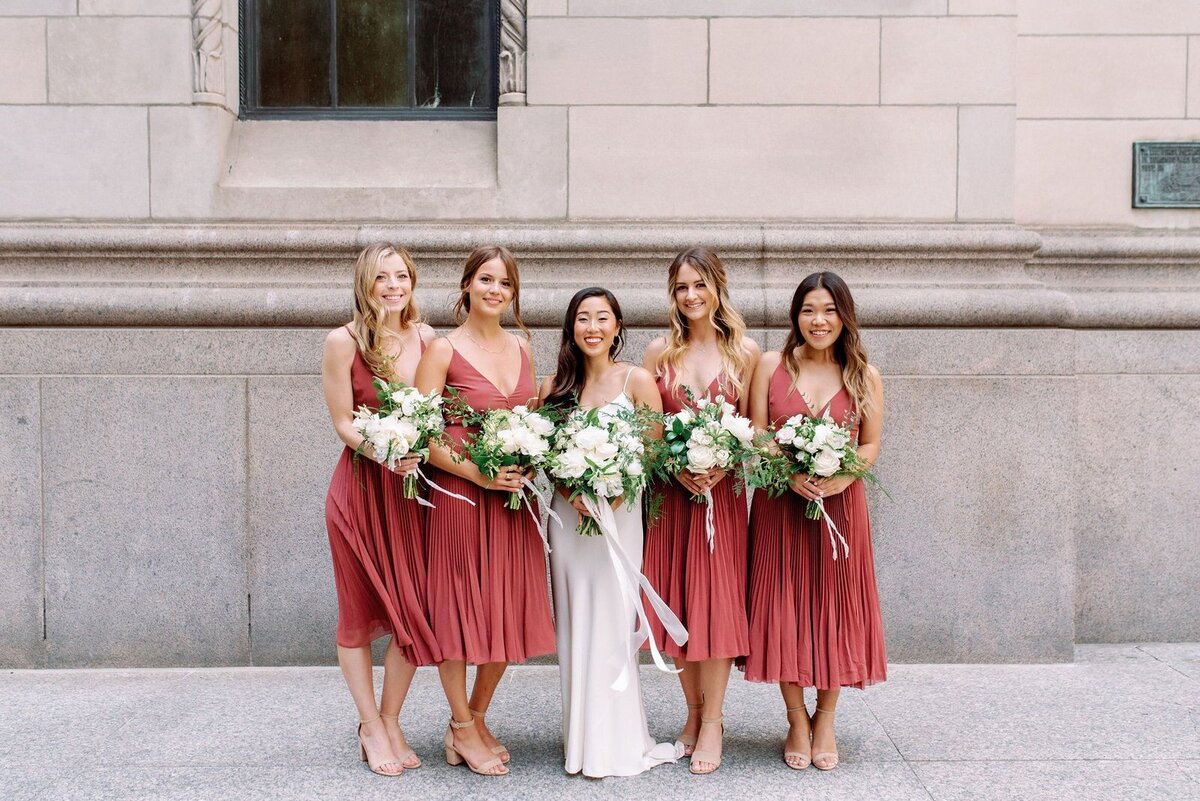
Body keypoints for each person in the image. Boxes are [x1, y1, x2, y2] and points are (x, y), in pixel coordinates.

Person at [414, 245, 555, 777]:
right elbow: (422, 435)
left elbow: (532, 420)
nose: (495, 290)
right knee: (457, 611)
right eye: (486, 280)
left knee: (507, 610)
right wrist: (477, 472)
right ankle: (462, 722)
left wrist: (529, 460)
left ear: (513, 294)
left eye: (504, 283)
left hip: (513, 503)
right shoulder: (443, 351)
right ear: (467, 286)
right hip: (462, 499)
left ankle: (472, 718)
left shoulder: (522, 347)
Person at [537, 287, 685, 778]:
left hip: (619, 522)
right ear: (571, 328)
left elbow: (653, 451)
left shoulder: (638, 381)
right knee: (578, 621)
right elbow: (548, 460)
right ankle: (580, 742)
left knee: (612, 622)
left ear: (618, 327)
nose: (593, 327)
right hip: (571, 526)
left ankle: (616, 743)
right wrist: (572, 490)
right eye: (583, 318)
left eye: (603, 318)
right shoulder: (554, 387)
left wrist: (621, 488)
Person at [743, 271, 887, 771]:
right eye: (808, 310)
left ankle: (825, 717)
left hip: (840, 512)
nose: (818, 320)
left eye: (828, 310)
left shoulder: (863, 375)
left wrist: (844, 478)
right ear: (795, 316)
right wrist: (785, 472)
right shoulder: (770, 364)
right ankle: (795, 718)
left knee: (833, 611)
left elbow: (869, 443)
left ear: (844, 316)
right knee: (782, 609)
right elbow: (757, 433)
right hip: (781, 507)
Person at [321, 243, 441, 777]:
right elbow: (343, 421)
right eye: (381, 278)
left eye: (401, 276)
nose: (393, 286)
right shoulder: (342, 342)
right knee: (357, 612)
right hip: (361, 492)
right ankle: (370, 724)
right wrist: (383, 451)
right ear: (365, 285)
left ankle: (392, 718)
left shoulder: (429, 339)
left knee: (411, 612)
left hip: (414, 493)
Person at [641, 247, 761, 775]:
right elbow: (648, 431)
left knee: (714, 606)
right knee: (679, 606)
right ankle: (692, 712)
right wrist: (675, 464)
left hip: (723, 499)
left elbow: (755, 427)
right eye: (681, 287)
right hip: (671, 496)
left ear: (718, 288)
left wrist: (722, 459)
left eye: (699, 285)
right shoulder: (657, 354)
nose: (691, 296)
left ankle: (714, 722)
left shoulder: (746, 353)